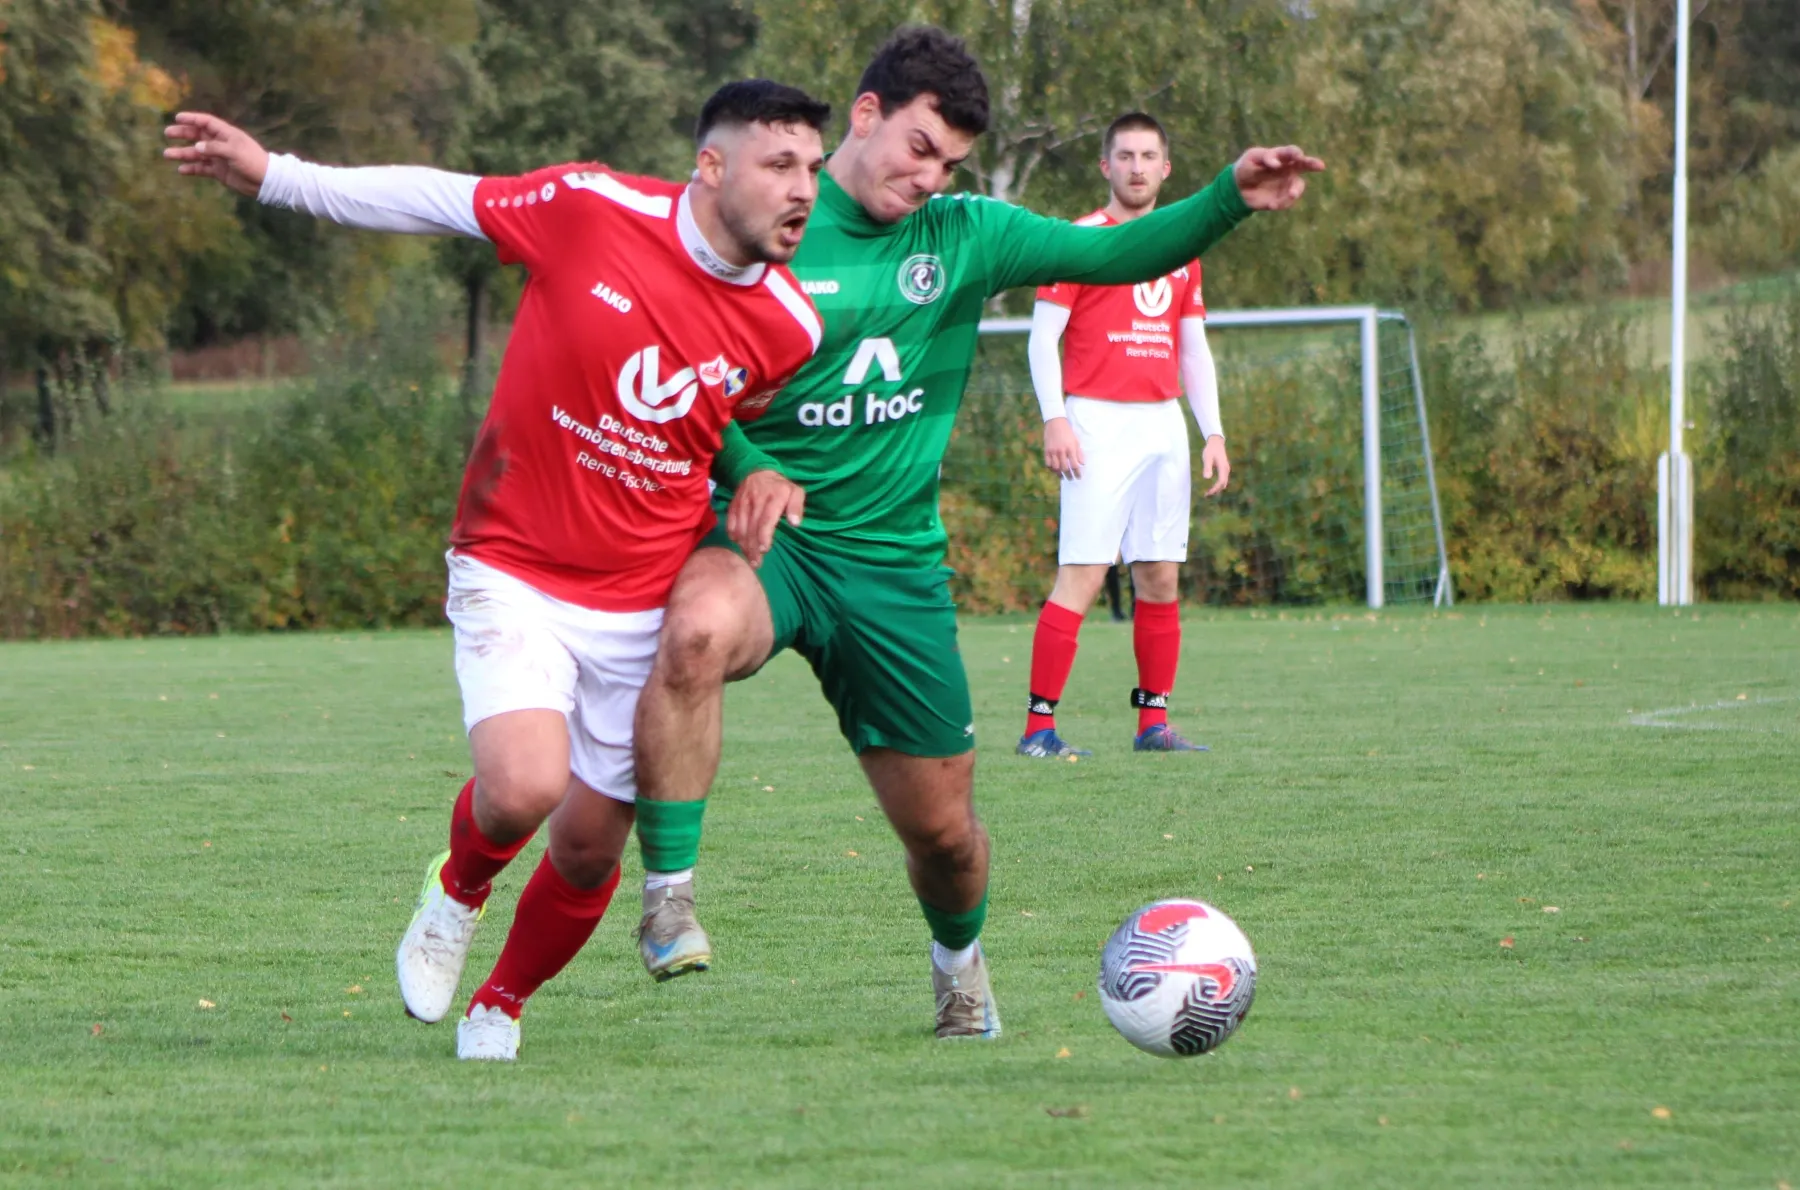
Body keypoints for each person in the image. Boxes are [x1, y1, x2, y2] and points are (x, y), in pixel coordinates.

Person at [627, 26, 1322, 1039]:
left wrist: (1227, 196)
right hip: (772, 542)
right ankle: (669, 898)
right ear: (865, 114)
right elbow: (677, 366)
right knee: (692, 630)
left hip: (894, 568)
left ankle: (959, 966)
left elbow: (1113, 252)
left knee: (947, 837)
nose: (929, 177)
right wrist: (743, 467)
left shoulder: (963, 234)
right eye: (918, 148)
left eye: (949, 163)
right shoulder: (767, 215)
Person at [163, 80, 831, 1060]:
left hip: (642, 598)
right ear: (711, 165)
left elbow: (707, 421)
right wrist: (277, 176)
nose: (803, 187)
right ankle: (456, 891)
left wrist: (756, 469)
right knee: (522, 787)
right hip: (513, 560)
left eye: (813, 167)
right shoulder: (590, 209)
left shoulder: (790, 327)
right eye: (780, 164)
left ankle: (501, 1003)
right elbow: (434, 198)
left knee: (589, 849)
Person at [1019, 111, 1230, 759]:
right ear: (1106, 166)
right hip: (1096, 422)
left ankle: (1152, 725)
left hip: (1162, 423)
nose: (1137, 168)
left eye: (1148, 157)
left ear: (1166, 168)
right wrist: (1056, 417)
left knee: (1160, 576)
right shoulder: (1079, 240)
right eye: (1125, 156)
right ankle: (1037, 730)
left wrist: (1213, 432)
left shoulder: (1181, 249)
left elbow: (1192, 347)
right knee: (1082, 576)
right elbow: (1042, 339)